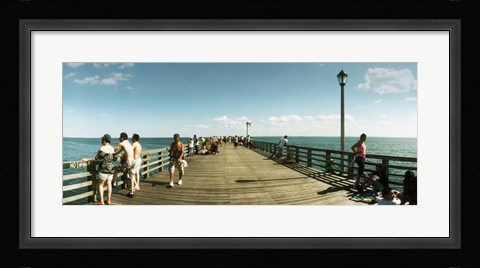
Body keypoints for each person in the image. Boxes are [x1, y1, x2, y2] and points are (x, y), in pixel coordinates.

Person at [113, 132, 135, 197]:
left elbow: (113, 149)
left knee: (115, 169)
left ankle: (114, 183)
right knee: (132, 176)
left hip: (128, 162)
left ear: (122, 138)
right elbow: (119, 151)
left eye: (119, 137)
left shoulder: (122, 143)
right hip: (132, 161)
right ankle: (131, 192)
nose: (119, 138)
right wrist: (115, 154)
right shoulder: (129, 143)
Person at [94, 134, 115, 205]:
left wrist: (87, 159)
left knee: (101, 185)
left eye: (102, 139)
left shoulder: (102, 148)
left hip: (103, 170)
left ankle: (102, 201)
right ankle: (109, 200)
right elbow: (113, 158)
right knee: (109, 184)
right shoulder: (112, 148)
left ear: (104, 140)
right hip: (111, 169)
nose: (101, 141)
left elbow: (97, 158)